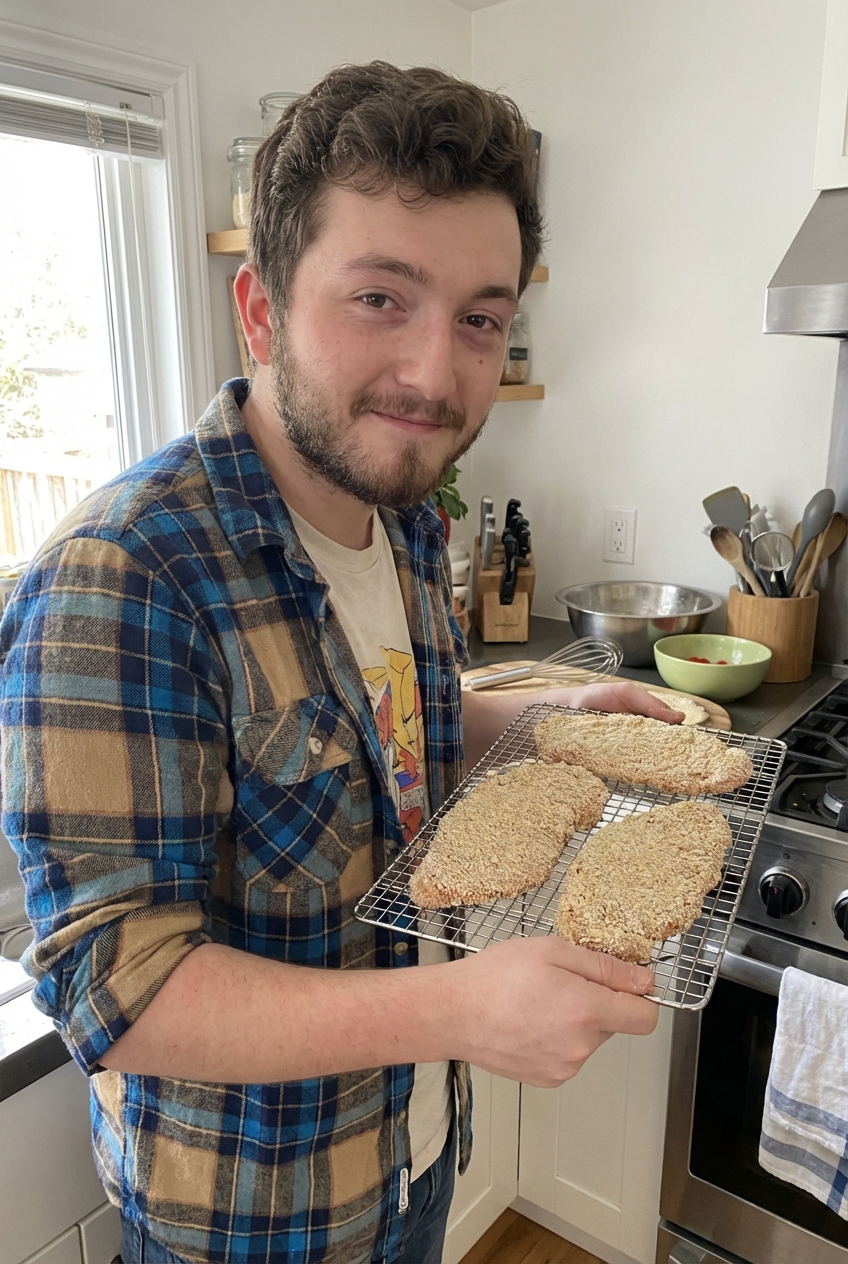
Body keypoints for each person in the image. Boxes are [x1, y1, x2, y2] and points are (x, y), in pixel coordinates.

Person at [0, 62, 681, 1264]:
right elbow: (119, 990)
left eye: (479, 315)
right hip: (253, 1217)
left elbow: (380, 724)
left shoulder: (403, 506)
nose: (436, 373)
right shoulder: (127, 576)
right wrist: (464, 1007)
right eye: (379, 297)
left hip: (407, 1152)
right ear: (258, 309)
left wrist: (542, 716)